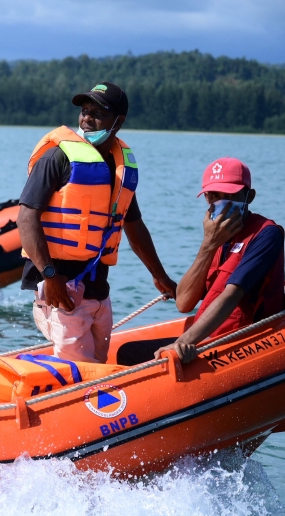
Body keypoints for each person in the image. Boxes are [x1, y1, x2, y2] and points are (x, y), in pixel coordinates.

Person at [16, 81, 176, 363]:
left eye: (97, 112)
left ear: (118, 121)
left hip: (98, 290)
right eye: (84, 110)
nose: (87, 118)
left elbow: (133, 225)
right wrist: (50, 277)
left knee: (97, 366)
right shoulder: (57, 157)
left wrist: (159, 276)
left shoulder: (119, 168)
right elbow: (26, 217)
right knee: (79, 374)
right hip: (60, 288)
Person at [152, 158, 285, 364]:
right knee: (127, 352)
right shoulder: (216, 236)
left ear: (249, 196)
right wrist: (208, 244)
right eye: (213, 195)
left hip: (242, 342)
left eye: (230, 194)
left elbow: (232, 295)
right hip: (211, 335)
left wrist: (184, 342)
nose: (220, 201)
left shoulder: (266, 235)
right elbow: (184, 303)